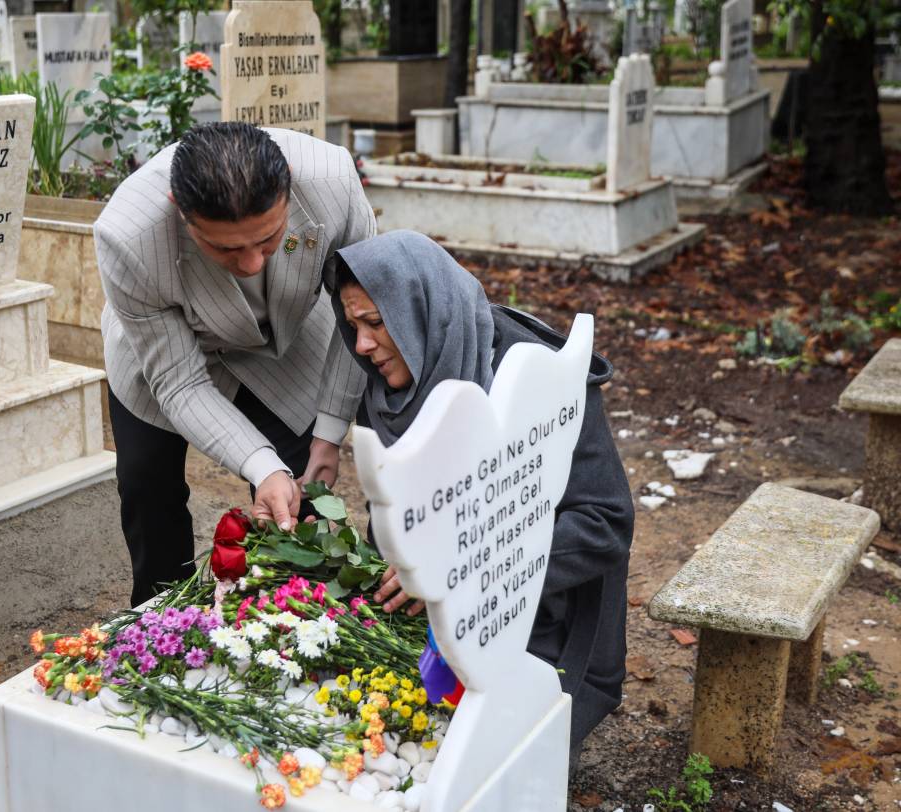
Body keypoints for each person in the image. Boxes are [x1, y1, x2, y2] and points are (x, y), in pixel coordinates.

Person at [332, 229, 634, 765]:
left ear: (420, 310)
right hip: (449, 608)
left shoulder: (534, 374)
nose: (361, 346)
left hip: (549, 615)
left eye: (376, 324)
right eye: (352, 325)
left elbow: (605, 523)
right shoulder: (390, 387)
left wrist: (459, 568)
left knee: (483, 758)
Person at [94, 122, 375, 607]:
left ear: (287, 182)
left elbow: (358, 317)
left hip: (285, 344)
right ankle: (161, 620)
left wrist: (329, 433)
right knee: (147, 489)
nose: (251, 265)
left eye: (268, 240)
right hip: (165, 359)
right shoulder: (127, 237)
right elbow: (178, 383)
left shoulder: (333, 181)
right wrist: (260, 465)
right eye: (225, 248)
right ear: (180, 211)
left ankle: (287, 622)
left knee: (297, 500)